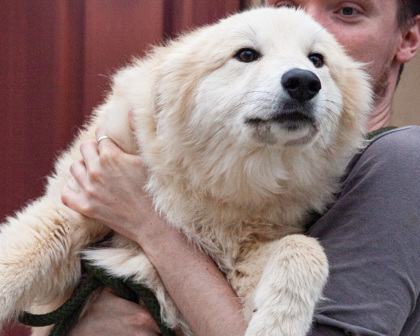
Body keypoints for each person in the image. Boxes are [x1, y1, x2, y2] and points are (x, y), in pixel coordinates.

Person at [61, 0, 420, 335]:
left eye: (346, 10)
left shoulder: (402, 160)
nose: (302, 24)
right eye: (286, 5)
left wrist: (148, 222)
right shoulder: (233, 163)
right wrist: (75, 321)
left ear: (407, 38)